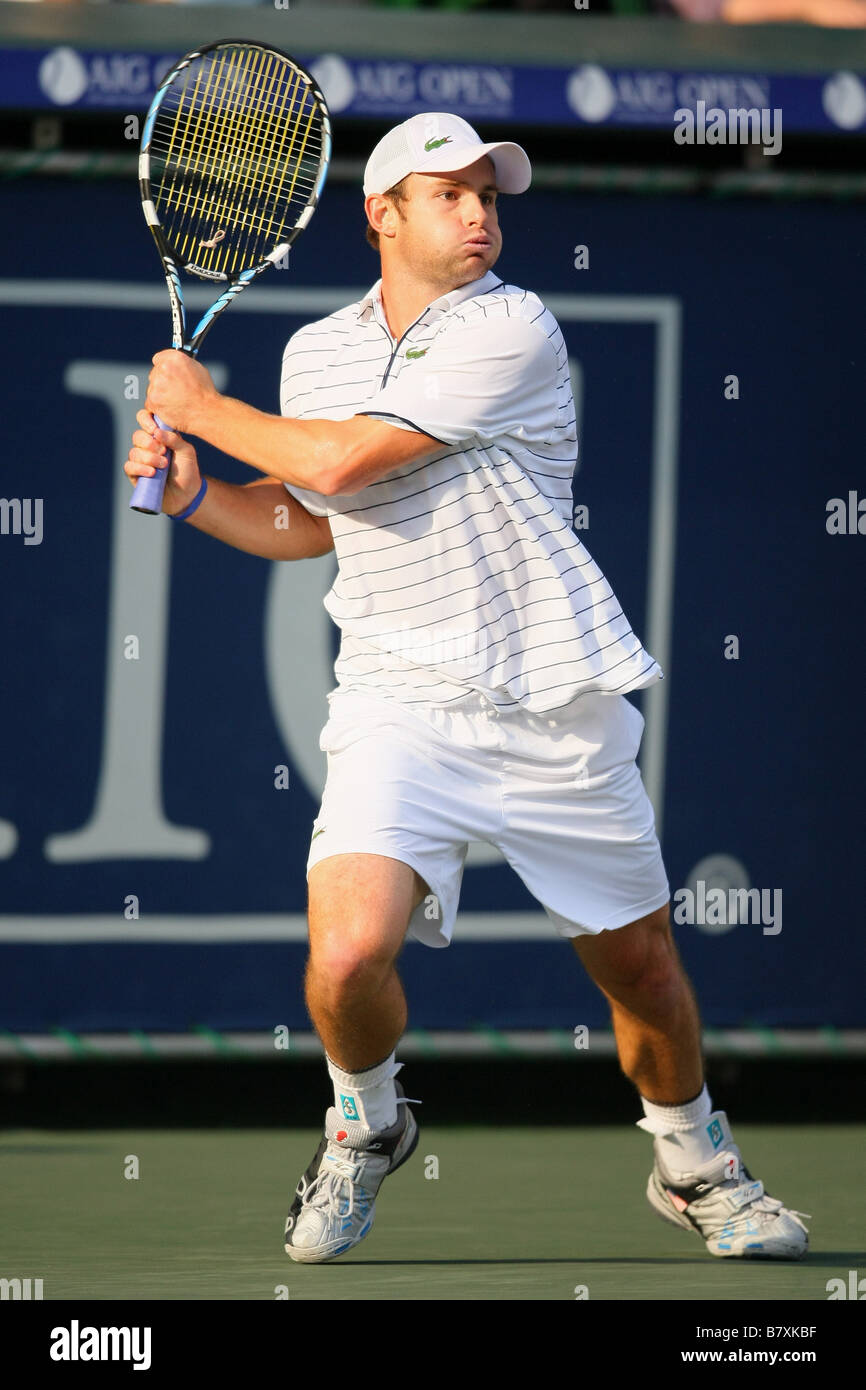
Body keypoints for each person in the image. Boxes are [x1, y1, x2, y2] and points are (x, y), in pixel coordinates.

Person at [126, 111, 809, 1267]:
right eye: (448, 195)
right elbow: (316, 516)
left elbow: (341, 460)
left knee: (639, 969)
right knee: (343, 959)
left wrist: (199, 410)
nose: (480, 215)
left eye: (488, 195)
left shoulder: (514, 327)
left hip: (554, 704)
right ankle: (366, 1122)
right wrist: (200, 494)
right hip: (396, 699)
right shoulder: (315, 354)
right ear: (380, 213)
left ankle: (695, 1162)